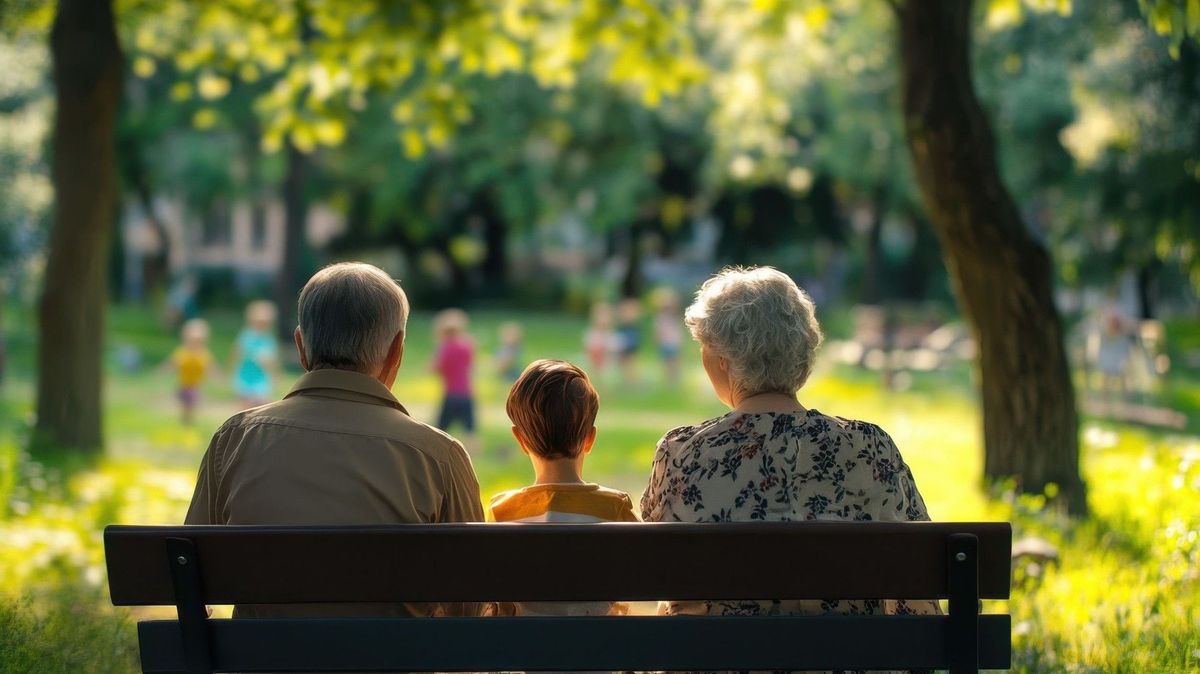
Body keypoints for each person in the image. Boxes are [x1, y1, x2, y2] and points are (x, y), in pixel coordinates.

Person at [185, 262, 485, 618]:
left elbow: (190, 572)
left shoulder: (235, 439)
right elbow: (469, 602)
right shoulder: (438, 456)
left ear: (300, 346)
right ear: (397, 351)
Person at [640, 266, 938, 621]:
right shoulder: (871, 447)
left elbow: (667, 581)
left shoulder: (683, 453)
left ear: (723, 360)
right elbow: (919, 586)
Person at [489, 359, 638, 616]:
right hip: (600, 650)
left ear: (521, 440)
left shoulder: (502, 512)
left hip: (521, 652)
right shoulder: (614, 509)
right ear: (590, 438)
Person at [432, 309, 478, 451]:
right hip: (466, 392)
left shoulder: (444, 348)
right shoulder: (467, 345)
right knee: (470, 428)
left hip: (451, 393)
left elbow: (435, 368)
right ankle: (474, 454)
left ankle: (437, 450)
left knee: (441, 428)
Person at [231, 300, 279, 409]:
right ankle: (241, 423)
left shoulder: (268, 338)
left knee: (261, 402)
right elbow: (237, 352)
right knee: (245, 403)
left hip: (260, 376)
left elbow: (273, 358)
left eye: (265, 323)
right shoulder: (247, 336)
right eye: (259, 322)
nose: (262, 326)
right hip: (246, 375)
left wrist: (274, 372)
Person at [166, 318, 214, 425]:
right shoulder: (183, 352)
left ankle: (188, 423)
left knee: (191, 406)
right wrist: (164, 370)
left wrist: (216, 375)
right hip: (183, 384)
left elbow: (209, 366)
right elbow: (174, 363)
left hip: (195, 386)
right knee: (185, 406)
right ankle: (185, 423)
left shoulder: (203, 354)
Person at [652, 287, 683, 386]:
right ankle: (670, 379)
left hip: (673, 342)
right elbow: (657, 331)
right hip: (666, 343)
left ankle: (674, 378)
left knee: (673, 361)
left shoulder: (673, 317)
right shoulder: (660, 318)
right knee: (668, 362)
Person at [615, 297, 642, 383]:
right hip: (624, 345)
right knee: (623, 362)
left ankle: (632, 379)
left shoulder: (634, 329)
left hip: (631, 345)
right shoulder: (622, 328)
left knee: (630, 362)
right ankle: (627, 379)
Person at [583, 301, 614, 374]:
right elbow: (588, 353)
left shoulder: (613, 336)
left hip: (607, 367)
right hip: (595, 365)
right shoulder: (591, 335)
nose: (603, 319)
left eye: (606, 316)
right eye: (600, 315)